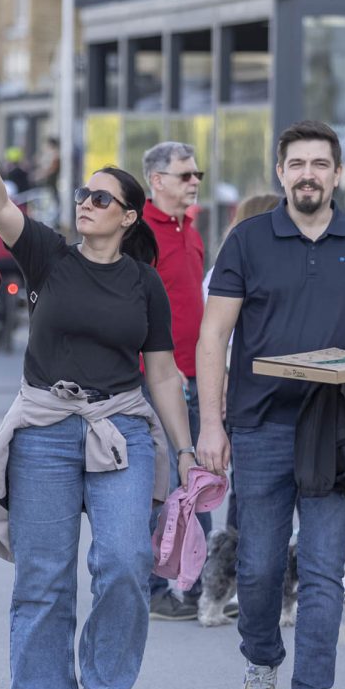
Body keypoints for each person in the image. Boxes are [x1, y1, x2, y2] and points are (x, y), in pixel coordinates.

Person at [0, 116, 194, 689]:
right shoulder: (49, 256)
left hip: (120, 429)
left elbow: (162, 374)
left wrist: (186, 451)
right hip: (47, 428)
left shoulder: (144, 284)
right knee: (45, 571)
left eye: (102, 198)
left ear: (129, 217)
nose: (87, 203)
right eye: (84, 194)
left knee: (126, 559)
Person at [196, 121, 345, 689]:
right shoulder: (248, 240)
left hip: (336, 427)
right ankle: (261, 656)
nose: (308, 174)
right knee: (258, 567)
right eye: (297, 164)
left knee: (320, 570)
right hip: (260, 426)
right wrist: (212, 423)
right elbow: (213, 338)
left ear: (338, 175)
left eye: (321, 164)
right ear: (280, 173)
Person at [140, 141, 210, 621]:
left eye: (196, 173)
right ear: (157, 180)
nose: (194, 182)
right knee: (164, 486)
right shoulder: (140, 233)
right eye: (185, 175)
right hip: (157, 379)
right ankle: (152, 586)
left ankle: (198, 583)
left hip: (198, 375)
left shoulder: (191, 229)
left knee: (201, 481)